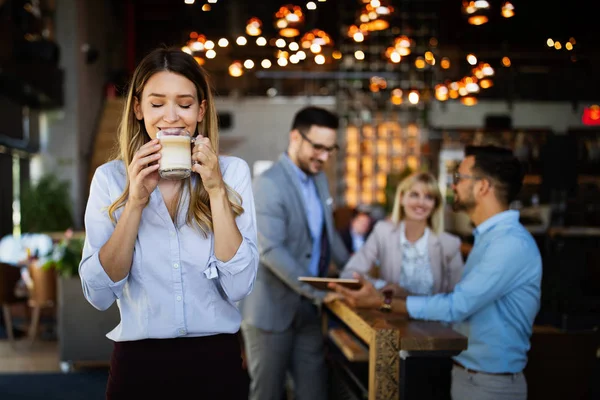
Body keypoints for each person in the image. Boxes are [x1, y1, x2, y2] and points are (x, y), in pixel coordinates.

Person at [78, 47, 258, 399]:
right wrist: (135, 202)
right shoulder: (111, 179)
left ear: (201, 110)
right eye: (157, 103)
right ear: (138, 108)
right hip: (138, 366)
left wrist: (216, 191)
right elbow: (98, 294)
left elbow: (239, 287)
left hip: (215, 363)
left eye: (185, 103)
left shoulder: (232, 173)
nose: (171, 116)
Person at [329, 145, 542, 400]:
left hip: (489, 385)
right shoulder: (489, 238)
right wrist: (401, 293)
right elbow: (461, 303)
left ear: (482, 187)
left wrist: (383, 302)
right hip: (468, 376)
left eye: (459, 178)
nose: (453, 186)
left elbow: (456, 305)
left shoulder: (507, 244)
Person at [240, 106, 350, 400]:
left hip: (308, 310)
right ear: (295, 137)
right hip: (271, 312)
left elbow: (327, 236)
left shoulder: (320, 179)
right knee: (268, 395)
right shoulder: (268, 183)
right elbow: (271, 250)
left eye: (331, 149)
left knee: (314, 394)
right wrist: (318, 292)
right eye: (318, 147)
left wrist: (355, 273)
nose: (325, 157)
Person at [341, 172, 464, 296]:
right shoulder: (383, 232)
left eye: (428, 197)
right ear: (401, 198)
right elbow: (349, 274)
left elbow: (457, 299)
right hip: (388, 314)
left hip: (432, 316)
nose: (421, 203)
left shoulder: (449, 244)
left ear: (435, 204)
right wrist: (383, 286)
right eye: (414, 195)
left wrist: (404, 294)